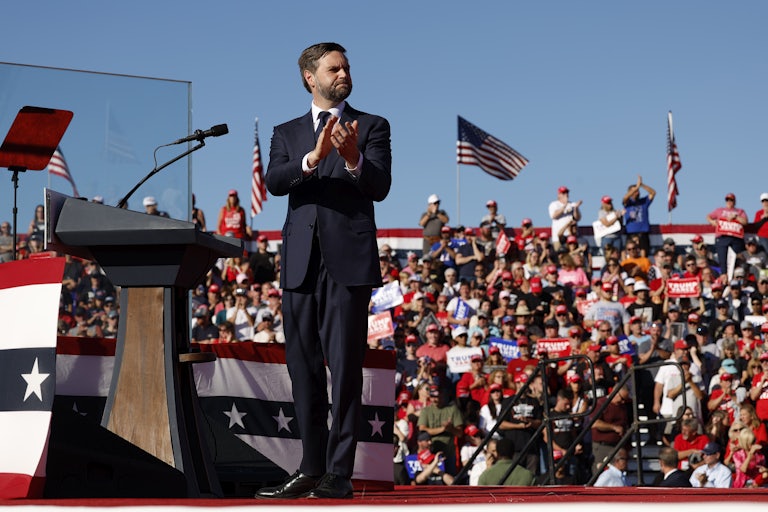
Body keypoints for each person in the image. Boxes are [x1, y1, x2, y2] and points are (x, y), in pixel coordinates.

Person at [255, 42, 392, 500]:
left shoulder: (372, 125)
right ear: (310, 78)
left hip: (347, 264)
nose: (344, 73)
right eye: (334, 68)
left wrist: (352, 157)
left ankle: (339, 473)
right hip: (299, 266)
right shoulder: (286, 132)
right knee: (303, 369)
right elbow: (274, 182)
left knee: (346, 370)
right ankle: (310, 468)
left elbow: (380, 186)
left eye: (347, 67)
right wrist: (312, 159)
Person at [706, 192, 748, 271]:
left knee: (736, 259)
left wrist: (736, 216)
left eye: (731, 200)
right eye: (727, 200)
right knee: (723, 260)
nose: (729, 202)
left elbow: (745, 222)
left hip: (736, 238)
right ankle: (724, 276)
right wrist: (712, 221)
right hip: (722, 237)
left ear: (734, 201)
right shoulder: (720, 210)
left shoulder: (740, 211)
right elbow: (708, 216)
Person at [621, 175, 656, 257]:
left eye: (638, 190)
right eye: (635, 191)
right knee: (630, 253)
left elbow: (653, 193)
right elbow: (624, 198)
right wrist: (636, 187)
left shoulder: (644, 201)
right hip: (631, 232)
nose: (637, 192)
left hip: (643, 232)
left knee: (644, 252)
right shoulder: (628, 203)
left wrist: (641, 185)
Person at [548, 185, 582, 250]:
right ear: (559, 195)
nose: (565, 194)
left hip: (571, 235)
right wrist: (565, 205)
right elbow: (554, 215)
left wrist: (576, 208)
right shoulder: (554, 204)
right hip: (559, 237)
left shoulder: (572, 204)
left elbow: (578, 218)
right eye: (563, 193)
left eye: (567, 192)